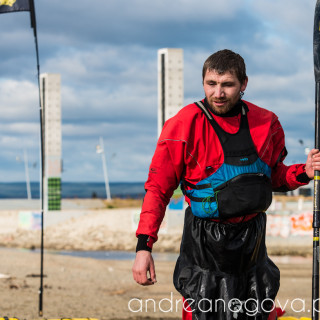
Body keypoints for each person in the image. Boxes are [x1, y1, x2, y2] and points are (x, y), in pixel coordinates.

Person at [132, 49, 320, 320]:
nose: (218, 93)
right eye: (211, 84)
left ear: (244, 84)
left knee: (256, 311)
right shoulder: (183, 125)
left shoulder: (267, 123)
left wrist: (305, 172)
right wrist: (143, 247)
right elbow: (158, 190)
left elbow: (273, 177)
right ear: (203, 82)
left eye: (227, 85)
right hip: (204, 243)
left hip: (252, 243)